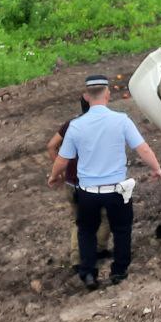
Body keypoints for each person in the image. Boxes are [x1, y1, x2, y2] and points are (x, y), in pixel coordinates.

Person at [47, 73, 161, 289]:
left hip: (87, 192)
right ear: (108, 94)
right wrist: (156, 168)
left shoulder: (76, 126)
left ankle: (88, 273)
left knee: (86, 231)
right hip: (117, 190)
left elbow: (63, 160)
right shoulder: (121, 120)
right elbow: (143, 148)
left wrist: (54, 176)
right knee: (122, 230)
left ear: (86, 96)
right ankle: (119, 272)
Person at [45, 97, 111, 268]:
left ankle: (76, 258)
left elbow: (51, 145)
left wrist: (59, 170)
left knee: (78, 221)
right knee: (105, 216)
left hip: (70, 184)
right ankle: (98, 249)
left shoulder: (71, 124)